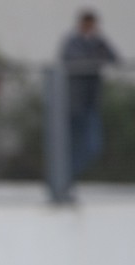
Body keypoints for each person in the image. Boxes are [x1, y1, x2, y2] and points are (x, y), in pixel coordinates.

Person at [60, 9, 119, 179]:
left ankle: (68, 176)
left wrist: (100, 44)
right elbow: (74, 61)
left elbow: (113, 58)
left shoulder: (98, 42)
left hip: (91, 104)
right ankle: (64, 179)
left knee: (93, 146)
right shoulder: (72, 42)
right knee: (69, 146)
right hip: (73, 105)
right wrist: (95, 58)